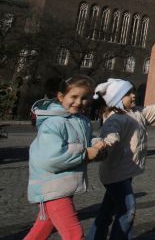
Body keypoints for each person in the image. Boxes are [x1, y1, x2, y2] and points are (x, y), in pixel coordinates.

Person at [87, 79, 155, 240]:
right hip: (115, 173)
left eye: (132, 92)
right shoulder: (114, 118)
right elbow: (110, 136)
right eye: (128, 94)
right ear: (117, 99)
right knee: (127, 209)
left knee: (107, 211)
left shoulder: (136, 113)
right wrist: (102, 145)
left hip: (124, 171)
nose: (134, 95)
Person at [25, 75, 106, 240]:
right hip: (51, 187)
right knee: (74, 234)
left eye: (84, 98)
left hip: (62, 186)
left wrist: (97, 144)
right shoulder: (53, 123)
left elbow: (87, 139)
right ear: (61, 97)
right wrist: (84, 153)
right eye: (74, 97)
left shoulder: (82, 121)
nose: (78, 102)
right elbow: (52, 158)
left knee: (43, 227)